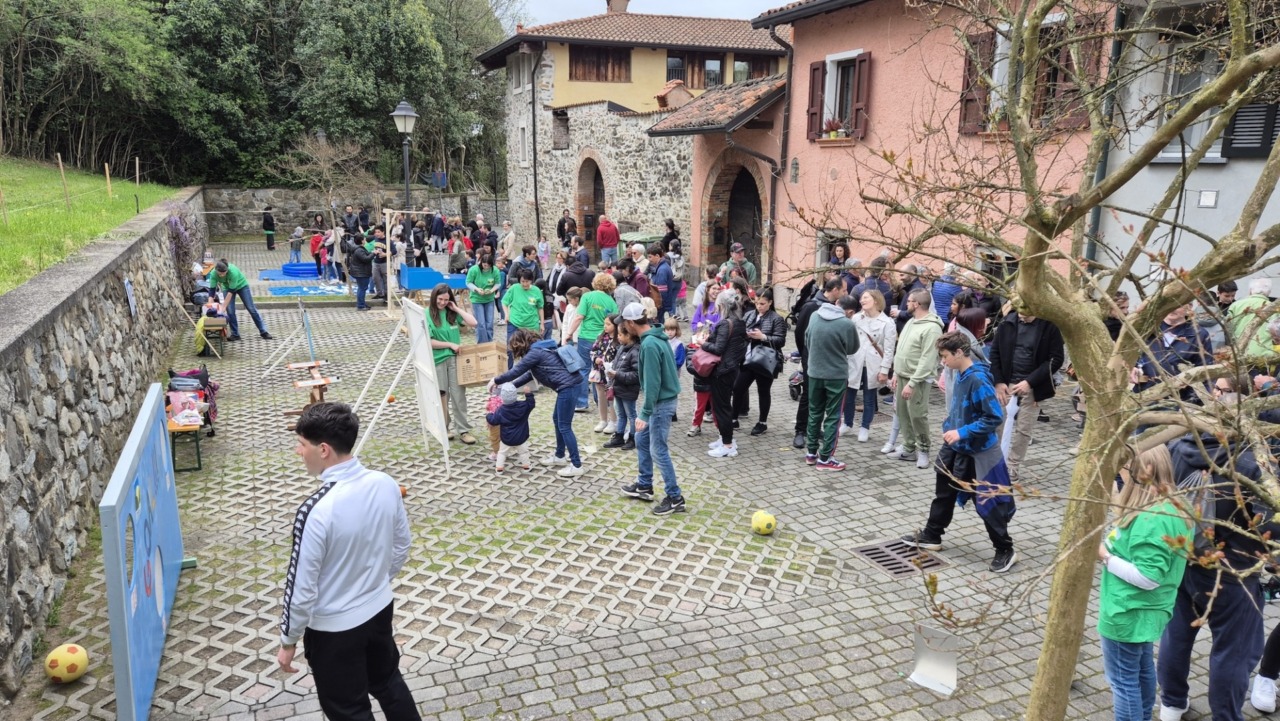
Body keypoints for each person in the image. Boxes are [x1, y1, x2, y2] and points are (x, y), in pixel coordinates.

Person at [276, 402, 419, 721]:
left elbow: (301, 588)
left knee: (349, 710)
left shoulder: (315, 511)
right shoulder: (384, 483)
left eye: (301, 444)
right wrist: (375, 583)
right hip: (379, 609)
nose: (298, 452)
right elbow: (401, 546)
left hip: (334, 631)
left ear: (323, 449)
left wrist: (288, 640)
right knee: (389, 683)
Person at [1158, 432, 1280, 721]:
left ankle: (1172, 705)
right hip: (1233, 572)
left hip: (1184, 560)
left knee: (1175, 636)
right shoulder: (1253, 464)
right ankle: (1225, 716)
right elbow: (1270, 528)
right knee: (1233, 651)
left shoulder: (1177, 446)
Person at [901, 332, 1016, 573]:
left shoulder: (978, 379)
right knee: (943, 490)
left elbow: (994, 417)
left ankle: (1005, 548)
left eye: (944, 357)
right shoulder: (960, 373)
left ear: (959, 353)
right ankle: (933, 534)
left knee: (985, 500)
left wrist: (963, 431)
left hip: (977, 452)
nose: (943, 362)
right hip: (955, 446)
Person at [1098, 445, 1190, 721]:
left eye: (1124, 469)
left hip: (1127, 611)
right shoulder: (1174, 504)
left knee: (1122, 682)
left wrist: (1104, 556)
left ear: (1141, 472)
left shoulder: (1151, 520)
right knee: (1141, 668)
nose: (1121, 475)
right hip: (1150, 610)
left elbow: (1148, 577)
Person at [490, 329, 587, 478]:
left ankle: (576, 465)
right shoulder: (541, 350)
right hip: (568, 386)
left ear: (520, 344)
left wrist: (496, 380)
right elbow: (529, 374)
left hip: (568, 387)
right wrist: (509, 387)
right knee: (557, 420)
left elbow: (516, 371)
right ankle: (560, 456)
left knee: (564, 426)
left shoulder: (535, 353)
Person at [619, 303, 686, 515]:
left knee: (659, 450)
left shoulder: (648, 345)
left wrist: (645, 413)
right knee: (641, 439)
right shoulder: (656, 336)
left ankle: (675, 497)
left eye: (625, 325)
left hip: (660, 403)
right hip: (661, 401)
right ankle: (645, 484)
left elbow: (653, 383)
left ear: (631, 323)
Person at [989, 309, 1065, 481]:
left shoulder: (1049, 327)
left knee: (1024, 428)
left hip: (1033, 387)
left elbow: (1056, 359)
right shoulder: (1007, 323)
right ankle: (994, 461)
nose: (1021, 313)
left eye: (1026, 310)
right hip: (1006, 384)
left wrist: (1030, 382)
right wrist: (998, 382)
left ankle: (1012, 465)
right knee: (997, 423)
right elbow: (994, 354)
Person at [888, 289, 944, 468]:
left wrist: (912, 383)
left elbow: (928, 360)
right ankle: (909, 447)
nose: (906, 303)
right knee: (903, 414)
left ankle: (924, 449)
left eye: (910, 301)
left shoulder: (932, 327)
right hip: (903, 375)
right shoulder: (912, 321)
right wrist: (896, 373)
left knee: (918, 416)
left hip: (917, 380)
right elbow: (901, 349)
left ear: (917, 304)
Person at [803, 294, 860, 470]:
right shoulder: (847, 323)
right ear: (849, 311)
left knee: (814, 413)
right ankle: (826, 458)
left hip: (814, 372)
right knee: (833, 416)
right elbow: (852, 348)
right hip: (835, 375)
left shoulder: (814, 315)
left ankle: (811, 453)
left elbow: (807, 339)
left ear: (836, 303)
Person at [793, 277, 847, 449]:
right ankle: (800, 430)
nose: (846, 294)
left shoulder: (835, 308)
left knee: (821, 396)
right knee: (808, 395)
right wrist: (805, 355)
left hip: (828, 360)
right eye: (844, 290)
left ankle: (814, 429)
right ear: (836, 290)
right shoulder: (812, 306)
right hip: (812, 359)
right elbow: (800, 334)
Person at [425, 284, 477, 445]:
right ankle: (444, 427)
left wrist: (456, 308)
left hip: (456, 359)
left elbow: (473, 322)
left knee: (459, 395)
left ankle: (463, 429)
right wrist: (449, 344)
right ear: (434, 297)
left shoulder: (451, 313)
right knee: (442, 396)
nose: (442, 302)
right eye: (440, 299)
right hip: (439, 360)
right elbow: (428, 341)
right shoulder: (427, 314)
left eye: (446, 300)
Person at [844, 289, 897, 443]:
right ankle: (847, 423)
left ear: (876, 300)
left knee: (869, 398)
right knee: (849, 395)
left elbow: (888, 349)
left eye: (865, 298)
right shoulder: (856, 318)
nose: (862, 301)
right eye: (861, 298)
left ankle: (865, 427)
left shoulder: (887, 322)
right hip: (855, 360)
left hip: (873, 363)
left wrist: (884, 370)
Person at [732, 289, 787, 436]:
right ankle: (733, 418)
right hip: (748, 358)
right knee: (738, 388)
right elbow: (740, 332)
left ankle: (762, 422)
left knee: (763, 391)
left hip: (765, 361)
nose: (759, 306)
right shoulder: (750, 314)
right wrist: (745, 334)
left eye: (762, 304)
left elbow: (780, 340)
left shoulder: (777, 319)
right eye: (756, 303)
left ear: (770, 303)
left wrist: (763, 337)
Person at [700, 290, 748, 458]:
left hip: (722, 371)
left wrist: (703, 343)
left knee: (722, 408)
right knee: (722, 406)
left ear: (721, 306)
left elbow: (718, 349)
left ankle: (727, 445)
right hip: (732, 369)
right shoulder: (740, 322)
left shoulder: (724, 324)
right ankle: (724, 439)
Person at [566, 274, 619, 411]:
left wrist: (569, 333)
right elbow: (615, 322)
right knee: (599, 369)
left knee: (583, 369)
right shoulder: (611, 302)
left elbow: (579, 317)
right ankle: (600, 400)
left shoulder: (587, 297)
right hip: (603, 339)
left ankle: (582, 402)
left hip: (586, 337)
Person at [208, 260, 272, 340]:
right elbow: (212, 291)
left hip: (242, 286)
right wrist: (209, 306)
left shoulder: (233, 272)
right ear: (216, 271)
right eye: (220, 274)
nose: (222, 275)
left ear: (227, 270)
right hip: (227, 287)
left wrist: (223, 307)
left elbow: (231, 292)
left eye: (224, 273)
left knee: (251, 308)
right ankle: (235, 334)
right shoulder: (213, 274)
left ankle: (263, 331)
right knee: (230, 311)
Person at [605, 316, 639, 450]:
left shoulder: (635, 351)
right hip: (618, 387)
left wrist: (617, 374)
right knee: (621, 414)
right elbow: (617, 364)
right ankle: (619, 436)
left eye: (620, 334)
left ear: (629, 335)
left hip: (628, 389)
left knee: (631, 414)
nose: (618, 337)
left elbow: (636, 375)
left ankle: (633, 437)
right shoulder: (622, 348)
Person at [486, 383, 534, 472]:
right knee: (523, 452)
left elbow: (493, 420)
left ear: (502, 398)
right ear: (515, 395)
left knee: (502, 453)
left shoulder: (500, 410)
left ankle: (499, 468)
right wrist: (528, 394)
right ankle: (526, 466)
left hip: (506, 438)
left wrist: (488, 415)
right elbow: (531, 404)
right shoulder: (523, 406)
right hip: (521, 438)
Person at [502, 267, 544, 369]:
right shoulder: (514, 288)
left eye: (527, 281)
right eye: (522, 281)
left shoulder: (536, 291)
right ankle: (509, 371)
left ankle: (529, 371)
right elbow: (504, 302)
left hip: (531, 324)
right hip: (515, 322)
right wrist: (506, 314)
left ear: (531, 280)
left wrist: (542, 323)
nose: (525, 284)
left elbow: (540, 307)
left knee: (531, 349)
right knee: (510, 347)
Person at [589, 314, 620, 435]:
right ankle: (603, 419)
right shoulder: (601, 337)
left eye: (608, 324)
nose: (605, 327)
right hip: (600, 371)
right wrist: (595, 358)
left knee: (611, 396)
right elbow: (593, 350)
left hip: (611, 373)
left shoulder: (619, 339)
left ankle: (614, 420)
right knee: (600, 395)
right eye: (605, 324)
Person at [1228, 278, 1273, 358]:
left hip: (1240, 354)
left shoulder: (1235, 305)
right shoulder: (1274, 309)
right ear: (1269, 292)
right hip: (1265, 355)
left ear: (1250, 290)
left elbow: (1228, 330)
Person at [466, 252, 501, 343]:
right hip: (477, 299)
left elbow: (498, 283)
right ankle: (482, 344)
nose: (486, 267)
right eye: (484, 265)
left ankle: (489, 342)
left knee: (489, 323)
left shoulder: (495, 270)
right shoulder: (474, 270)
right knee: (481, 323)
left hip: (489, 299)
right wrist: (477, 289)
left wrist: (492, 290)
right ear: (481, 263)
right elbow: (468, 282)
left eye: (488, 266)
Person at [343, 234, 374, 311]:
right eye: (364, 239)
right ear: (361, 241)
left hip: (360, 272)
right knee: (362, 288)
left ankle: (362, 303)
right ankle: (360, 305)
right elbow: (366, 259)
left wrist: (371, 253)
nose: (365, 241)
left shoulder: (358, 248)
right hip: (361, 272)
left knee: (362, 288)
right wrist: (374, 253)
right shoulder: (359, 250)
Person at [647, 244, 676, 322]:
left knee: (659, 323)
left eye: (650, 257)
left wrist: (658, 306)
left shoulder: (662, 270)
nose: (649, 259)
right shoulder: (663, 267)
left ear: (657, 256)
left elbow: (661, 291)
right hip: (663, 304)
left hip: (661, 305)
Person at [931, 263, 964, 327]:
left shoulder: (937, 282)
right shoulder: (955, 286)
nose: (960, 273)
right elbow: (961, 299)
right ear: (955, 272)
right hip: (947, 318)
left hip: (935, 316)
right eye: (959, 271)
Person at [370, 227, 392, 302]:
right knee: (375, 278)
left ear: (383, 232)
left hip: (384, 262)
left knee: (385, 279)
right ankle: (379, 293)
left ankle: (386, 295)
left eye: (379, 232)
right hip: (376, 262)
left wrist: (385, 254)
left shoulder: (388, 241)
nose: (377, 234)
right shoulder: (375, 239)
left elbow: (394, 251)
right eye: (376, 232)